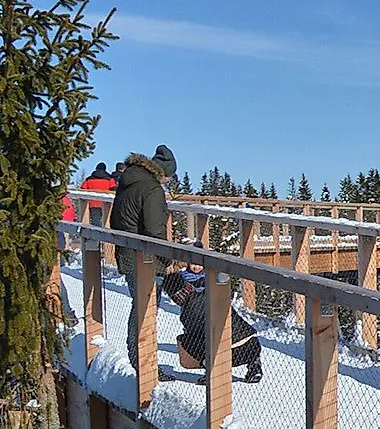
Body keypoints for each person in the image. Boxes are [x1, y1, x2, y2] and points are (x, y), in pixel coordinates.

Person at [109, 145, 177, 366]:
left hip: (127, 253)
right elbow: (155, 230)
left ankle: (139, 358)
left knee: (141, 305)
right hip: (146, 259)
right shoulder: (152, 189)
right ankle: (142, 363)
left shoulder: (128, 182)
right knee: (146, 308)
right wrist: (167, 257)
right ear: (164, 172)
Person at [162, 270, 262, 382]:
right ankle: (254, 364)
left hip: (228, 354)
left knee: (186, 340)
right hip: (251, 346)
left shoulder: (186, 315)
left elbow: (198, 339)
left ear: (176, 298)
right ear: (188, 286)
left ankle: (211, 367)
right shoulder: (210, 293)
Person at [79, 161, 117, 225]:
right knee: (107, 223)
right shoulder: (110, 179)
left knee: (95, 223)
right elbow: (114, 190)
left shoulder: (89, 179)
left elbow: (82, 190)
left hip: (93, 203)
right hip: (107, 203)